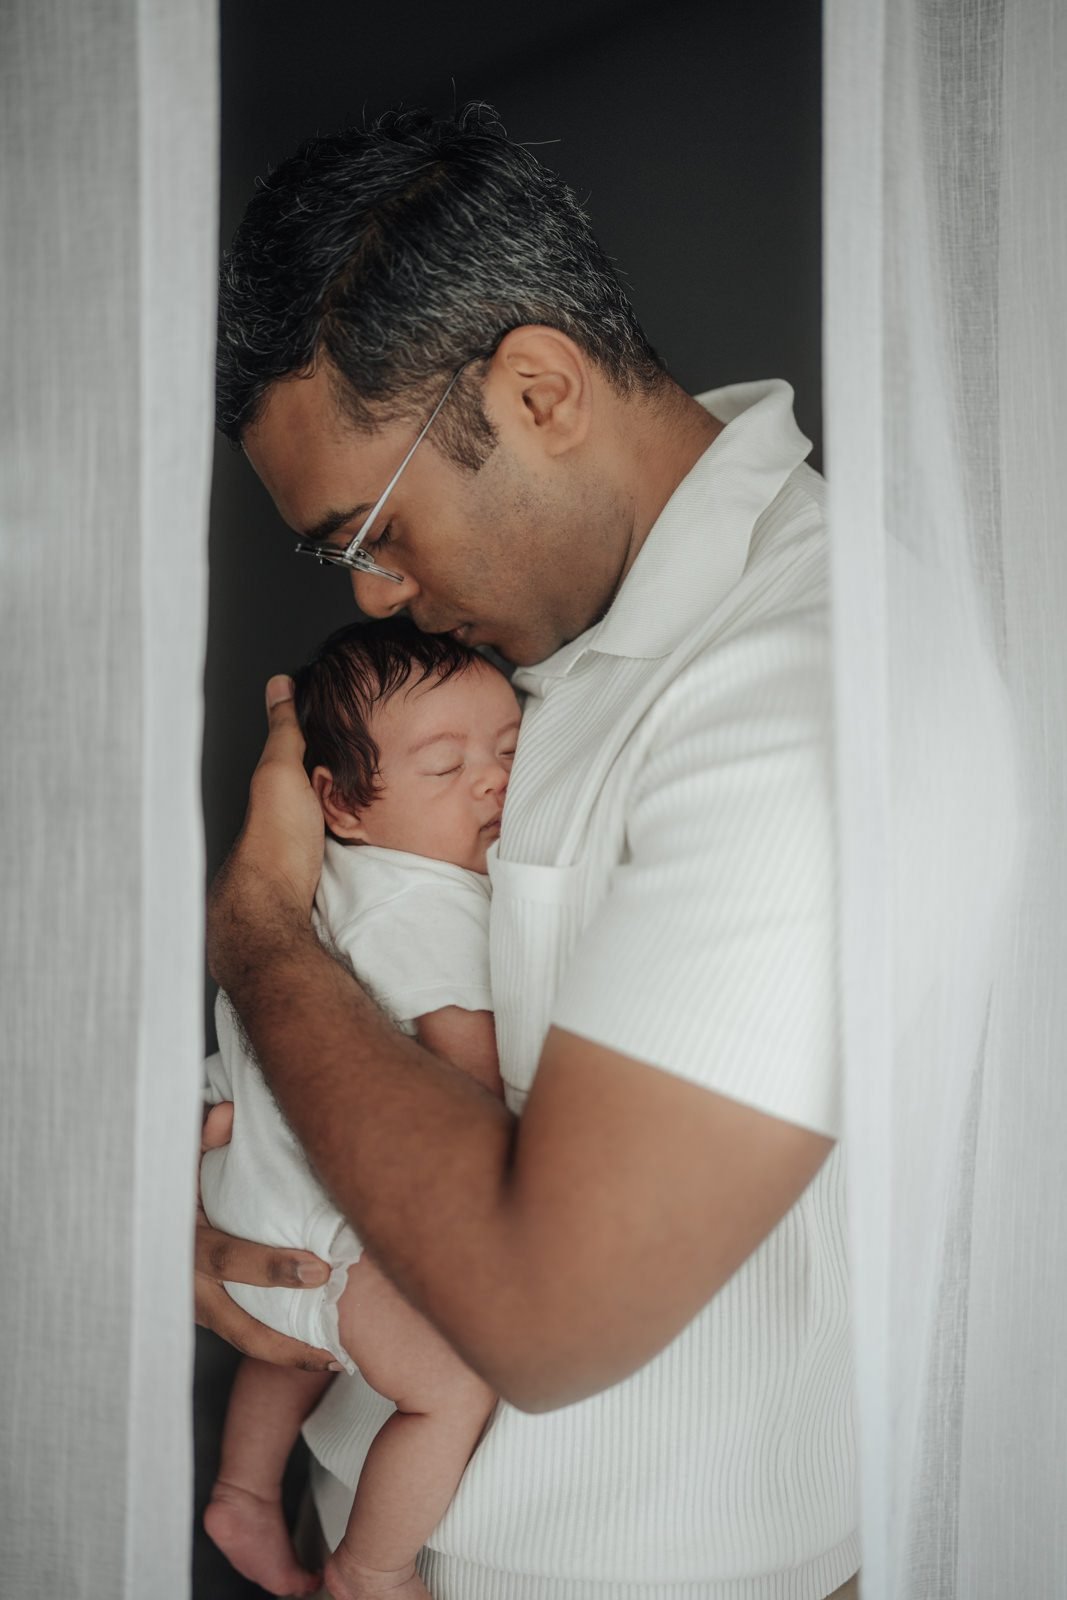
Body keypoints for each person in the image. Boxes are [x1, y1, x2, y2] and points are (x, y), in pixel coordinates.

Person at [200, 105, 860, 1599]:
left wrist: (258, 935)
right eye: (338, 558)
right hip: (353, 1505)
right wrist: (232, 1238)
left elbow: (546, 1318)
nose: (374, 599)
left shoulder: (805, 682)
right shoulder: (502, 650)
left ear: (541, 390)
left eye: (372, 527)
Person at [201, 619, 519, 1600]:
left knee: (305, 1345)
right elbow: (467, 1090)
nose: (489, 781)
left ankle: (245, 1490)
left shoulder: (336, 882)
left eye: (507, 750)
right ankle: (369, 1568)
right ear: (337, 802)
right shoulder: (424, 904)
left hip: (243, 1200)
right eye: (443, 765)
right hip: (321, 1229)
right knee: (451, 1386)